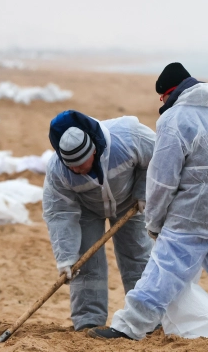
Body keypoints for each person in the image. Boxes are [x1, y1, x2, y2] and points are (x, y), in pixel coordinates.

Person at [88, 63, 208, 347]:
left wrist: (155, 223)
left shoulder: (175, 119)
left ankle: (130, 327)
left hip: (192, 216)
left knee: (163, 270)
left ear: (168, 94)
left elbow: (162, 179)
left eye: (162, 98)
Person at [43, 110, 155, 331]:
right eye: (71, 166)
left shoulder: (128, 137)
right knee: (85, 264)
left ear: (93, 150)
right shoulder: (58, 170)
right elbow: (59, 212)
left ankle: (146, 319)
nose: (76, 170)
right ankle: (88, 322)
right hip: (86, 208)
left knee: (138, 257)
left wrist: (144, 192)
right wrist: (65, 257)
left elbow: (158, 158)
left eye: (81, 164)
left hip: (129, 201)